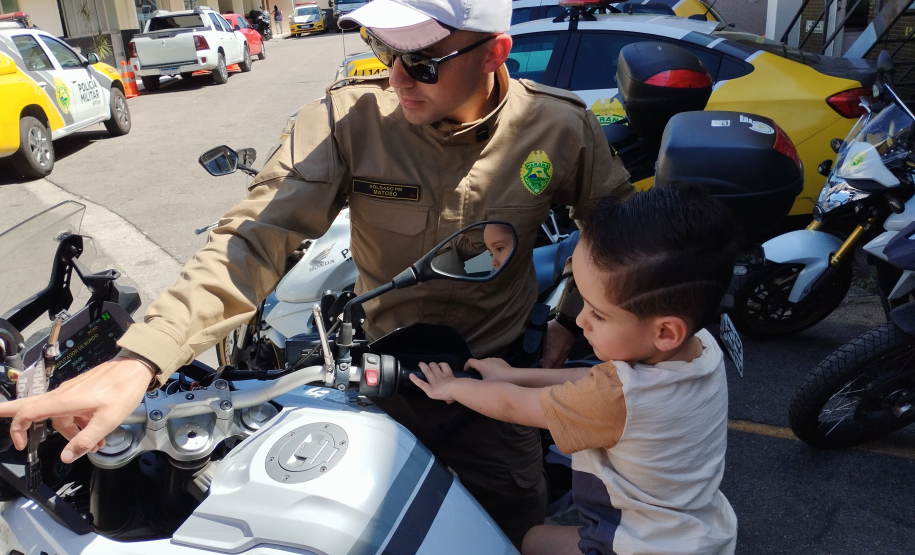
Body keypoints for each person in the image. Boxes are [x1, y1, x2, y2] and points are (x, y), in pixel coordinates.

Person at [0, 0, 632, 546]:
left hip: (497, 392)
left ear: (494, 53)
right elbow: (251, 241)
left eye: (423, 62)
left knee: (508, 529)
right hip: (387, 386)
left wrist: (570, 323)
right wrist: (140, 361)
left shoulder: (558, 127)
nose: (396, 77)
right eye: (385, 50)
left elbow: (620, 243)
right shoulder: (351, 122)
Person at [411, 185, 739, 555]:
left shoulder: (618, 399)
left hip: (637, 544)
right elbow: (594, 381)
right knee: (538, 540)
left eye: (598, 314)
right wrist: (514, 373)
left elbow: (513, 406)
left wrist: (453, 387)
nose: (580, 320)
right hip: (696, 528)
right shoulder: (701, 349)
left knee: (530, 542)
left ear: (665, 331)